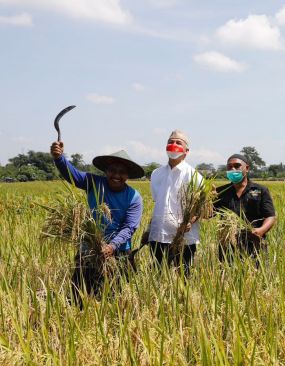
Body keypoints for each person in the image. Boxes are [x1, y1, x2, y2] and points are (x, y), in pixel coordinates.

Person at [50, 140, 143, 305]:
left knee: (115, 299)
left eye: (122, 172)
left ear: (127, 176)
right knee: (78, 296)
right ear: (106, 171)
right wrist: (59, 158)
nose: (116, 175)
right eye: (112, 170)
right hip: (89, 249)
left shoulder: (134, 197)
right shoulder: (94, 183)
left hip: (119, 251)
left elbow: (129, 228)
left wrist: (112, 246)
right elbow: (73, 175)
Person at [142, 130, 203, 276]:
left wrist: (190, 221)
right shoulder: (156, 174)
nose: (173, 144)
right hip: (158, 235)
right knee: (157, 275)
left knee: (183, 277)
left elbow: (201, 208)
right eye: (170, 142)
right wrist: (149, 229)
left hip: (184, 238)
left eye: (178, 142)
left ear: (186, 150)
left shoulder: (194, 176)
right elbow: (159, 204)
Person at [214, 154, 276, 261]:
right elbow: (208, 214)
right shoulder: (220, 192)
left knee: (257, 276)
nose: (233, 169)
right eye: (229, 167)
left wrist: (261, 230)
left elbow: (270, 216)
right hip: (228, 246)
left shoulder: (260, 190)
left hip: (255, 245)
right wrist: (207, 199)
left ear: (246, 168)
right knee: (228, 276)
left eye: (237, 166)